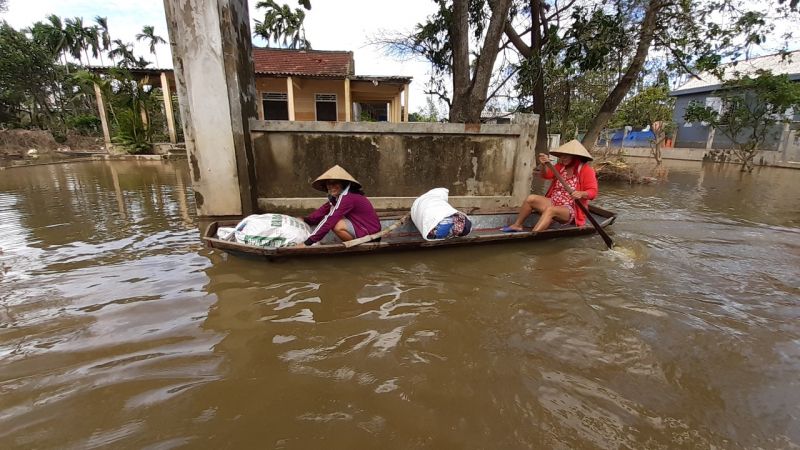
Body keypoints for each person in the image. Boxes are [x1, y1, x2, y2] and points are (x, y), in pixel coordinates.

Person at [502, 140, 598, 233]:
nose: (562, 158)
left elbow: (593, 192)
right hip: (554, 201)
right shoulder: (560, 166)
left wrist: (581, 193)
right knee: (530, 198)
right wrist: (544, 165)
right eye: (561, 156)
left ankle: (534, 235)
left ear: (575, 157)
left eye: (566, 156)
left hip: (571, 209)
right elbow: (546, 175)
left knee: (551, 210)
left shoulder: (586, 170)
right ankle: (517, 225)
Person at [295, 165, 381, 247]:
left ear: (343, 184)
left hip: (371, 236)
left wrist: (307, 243)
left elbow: (330, 219)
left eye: (335, 183)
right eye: (328, 184)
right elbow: (324, 210)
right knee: (329, 219)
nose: (331, 187)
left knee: (336, 224)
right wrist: (307, 220)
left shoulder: (348, 197)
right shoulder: (338, 197)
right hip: (364, 229)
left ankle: (357, 247)